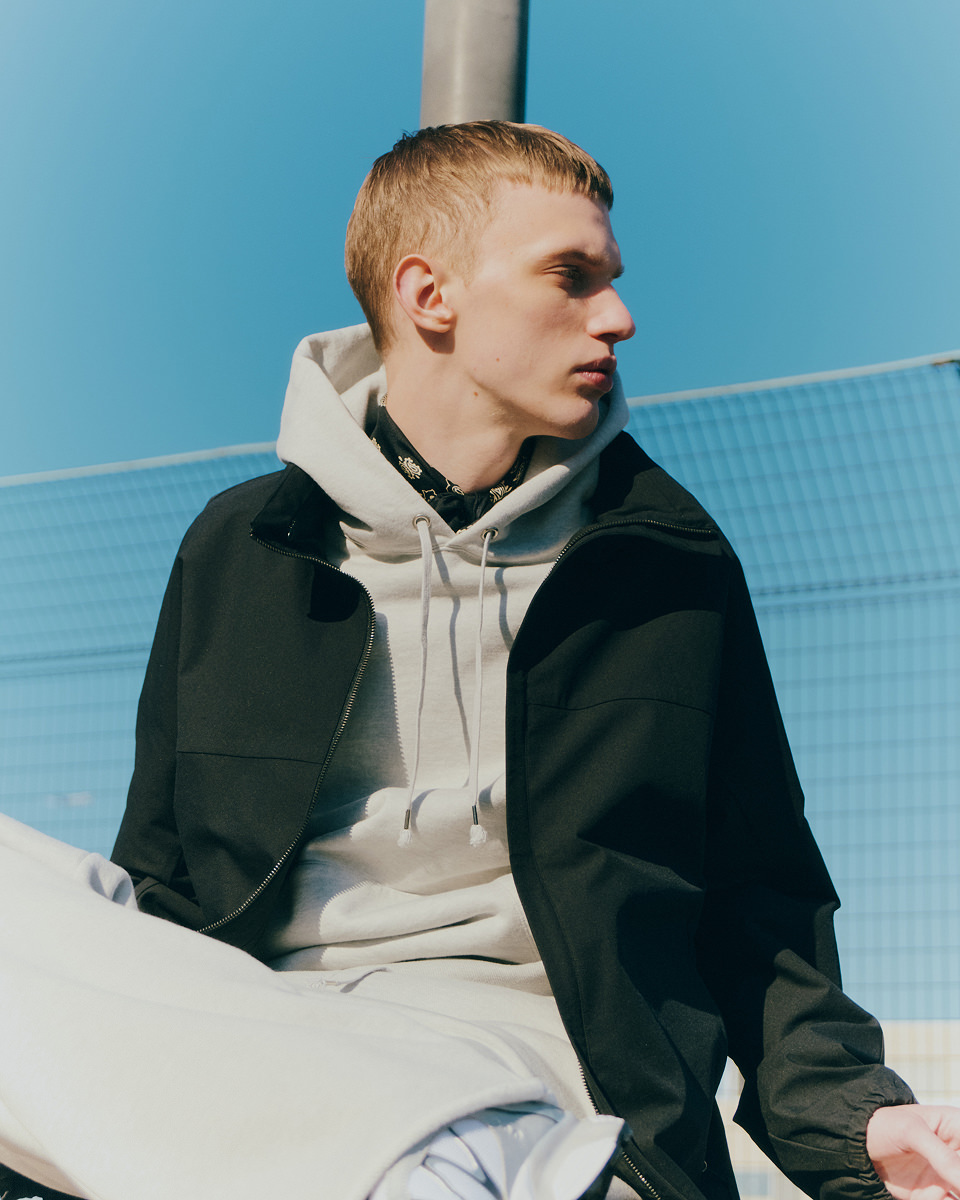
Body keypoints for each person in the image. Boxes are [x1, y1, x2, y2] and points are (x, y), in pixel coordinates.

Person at [3, 121, 960, 1200]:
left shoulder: (664, 558)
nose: (619, 316)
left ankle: (457, 1161)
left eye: (611, 280)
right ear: (430, 296)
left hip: (552, 1082)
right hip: (272, 1042)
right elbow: (166, 875)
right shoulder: (241, 547)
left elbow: (761, 891)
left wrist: (853, 1117)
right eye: (571, 275)